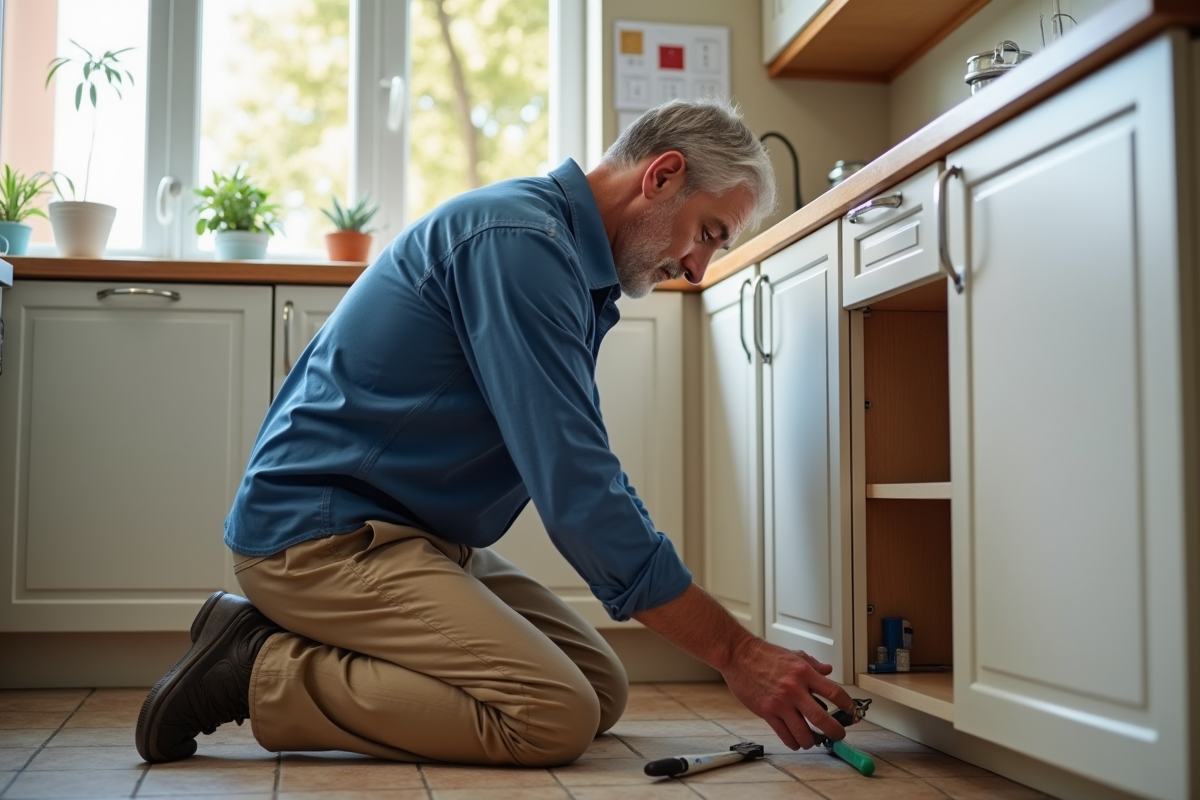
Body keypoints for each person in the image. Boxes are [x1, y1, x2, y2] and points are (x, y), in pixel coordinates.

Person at [135, 97, 854, 767]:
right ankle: (255, 668)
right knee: (551, 715)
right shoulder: (521, 245)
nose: (697, 267)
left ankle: (305, 647)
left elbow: (576, 477)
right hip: (320, 538)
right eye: (709, 234)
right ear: (663, 175)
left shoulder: (562, 258)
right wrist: (735, 651)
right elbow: (578, 488)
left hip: (409, 536)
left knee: (600, 689)